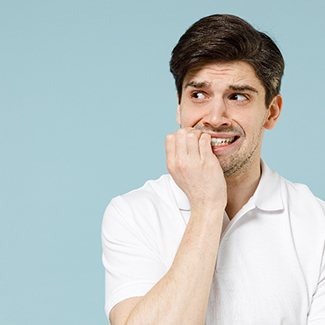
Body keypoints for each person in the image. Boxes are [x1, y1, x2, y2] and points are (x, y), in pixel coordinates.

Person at [102, 14, 325, 324]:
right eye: (199, 95)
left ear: (271, 113)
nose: (216, 117)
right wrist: (208, 207)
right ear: (179, 108)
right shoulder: (133, 213)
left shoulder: (318, 225)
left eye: (237, 97)